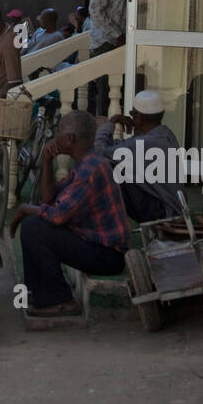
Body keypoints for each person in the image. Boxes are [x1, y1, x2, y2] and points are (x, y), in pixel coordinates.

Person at [9, 109, 130, 317]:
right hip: (94, 245)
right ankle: (37, 292)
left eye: (59, 131)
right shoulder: (84, 163)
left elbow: (56, 215)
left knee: (34, 227)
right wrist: (46, 161)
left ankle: (61, 300)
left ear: (70, 138)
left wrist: (24, 210)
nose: (55, 136)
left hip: (107, 255)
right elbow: (48, 200)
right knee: (33, 224)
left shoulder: (89, 171)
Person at [94, 89, 182, 222]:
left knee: (106, 169)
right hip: (170, 207)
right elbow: (120, 147)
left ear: (139, 118)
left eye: (132, 114)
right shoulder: (165, 134)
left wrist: (112, 122)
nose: (131, 118)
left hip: (163, 212)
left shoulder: (145, 143)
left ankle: (108, 227)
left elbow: (98, 151)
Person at [88, 0, 128, 114]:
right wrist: (117, 34)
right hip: (105, 43)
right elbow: (95, 9)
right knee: (105, 94)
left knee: (118, 90)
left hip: (119, 43)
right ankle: (103, 131)